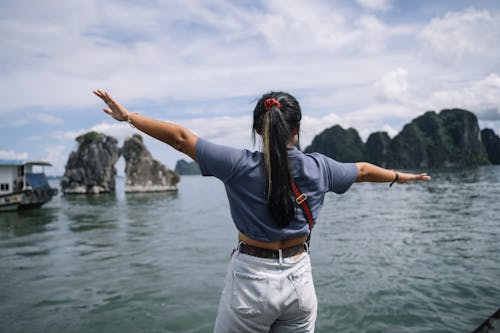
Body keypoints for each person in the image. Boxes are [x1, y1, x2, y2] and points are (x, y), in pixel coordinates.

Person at [94, 89, 430, 332]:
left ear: (259, 130)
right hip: (300, 283)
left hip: (251, 283)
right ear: (296, 130)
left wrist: (129, 118)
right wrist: (400, 177)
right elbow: (361, 170)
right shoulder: (320, 168)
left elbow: (181, 139)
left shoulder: (238, 165)